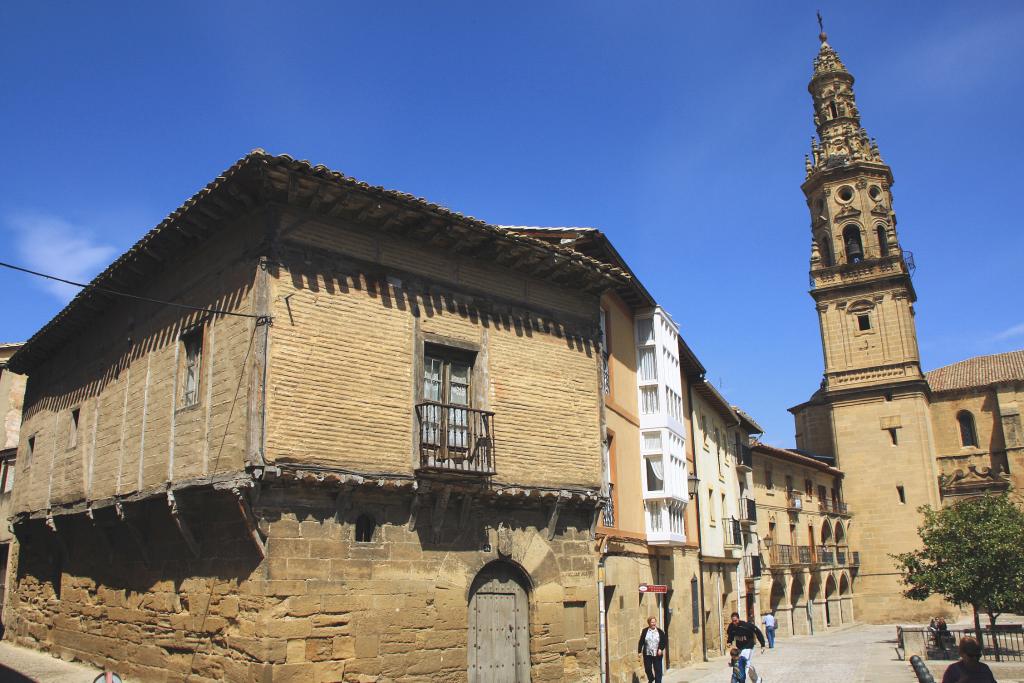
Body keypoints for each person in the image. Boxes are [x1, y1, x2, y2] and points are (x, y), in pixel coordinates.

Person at [726, 612, 765, 683]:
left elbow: (758, 632)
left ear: (738, 619)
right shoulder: (731, 626)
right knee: (748, 664)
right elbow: (730, 634)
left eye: (736, 620)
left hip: (748, 646)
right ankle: (757, 680)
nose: (734, 622)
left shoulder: (746, 625)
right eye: (733, 621)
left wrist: (762, 644)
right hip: (740, 648)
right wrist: (729, 641)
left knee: (743, 664)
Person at [636, 616, 667, 683]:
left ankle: (658, 681)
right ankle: (651, 678)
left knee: (658, 670)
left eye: (654, 622)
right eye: (652, 622)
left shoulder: (660, 631)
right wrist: (639, 651)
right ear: (649, 623)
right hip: (647, 654)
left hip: (657, 654)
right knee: (648, 669)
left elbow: (664, 641)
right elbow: (641, 641)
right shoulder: (645, 631)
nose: (653, 623)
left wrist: (661, 649)